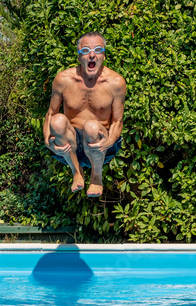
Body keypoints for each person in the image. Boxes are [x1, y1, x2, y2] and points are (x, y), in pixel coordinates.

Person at [43, 31, 126, 197]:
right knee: (58, 121)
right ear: (79, 55)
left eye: (98, 50)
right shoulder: (63, 80)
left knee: (92, 126)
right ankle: (76, 171)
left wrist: (109, 141)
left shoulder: (116, 82)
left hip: (100, 144)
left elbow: (117, 121)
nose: (92, 55)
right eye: (86, 51)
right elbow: (50, 114)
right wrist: (47, 142)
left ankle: (96, 176)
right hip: (70, 145)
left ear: (104, 55)